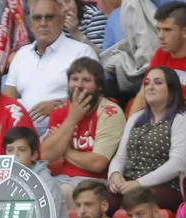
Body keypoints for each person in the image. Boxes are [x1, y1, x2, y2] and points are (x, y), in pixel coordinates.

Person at [2, 0, 99, 133]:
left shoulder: (81, 52)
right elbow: (7, 98)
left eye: (49, 17)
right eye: (37, 18)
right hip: (22, 133)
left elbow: (94, 94)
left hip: (65, 130)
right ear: (30, 24)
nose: (43, 23)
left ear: (61, 21)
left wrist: (59, 106)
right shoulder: (22, 54)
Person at [108, 67, 186, 212]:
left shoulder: (183, 119)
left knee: (134, 200)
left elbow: (177, 164)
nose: (150, 87)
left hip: (165, 186)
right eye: (147, 83)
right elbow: (120, 156)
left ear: (171, 90)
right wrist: (114, 175)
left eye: (158, 83)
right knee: (99, 199)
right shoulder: (136, 118)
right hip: (130, 184)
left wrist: (139, 183)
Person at [41, 58, 125, 192]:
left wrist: (65, 150)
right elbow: (45, 156)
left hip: (96, 184)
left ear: (99, 86)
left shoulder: (110, 113)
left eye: (86, 80)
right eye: (74, 79)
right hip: (63, 178)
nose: (79, 85)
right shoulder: (60, 111)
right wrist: (72, 119)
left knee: (61, 192)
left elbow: (97, 164)